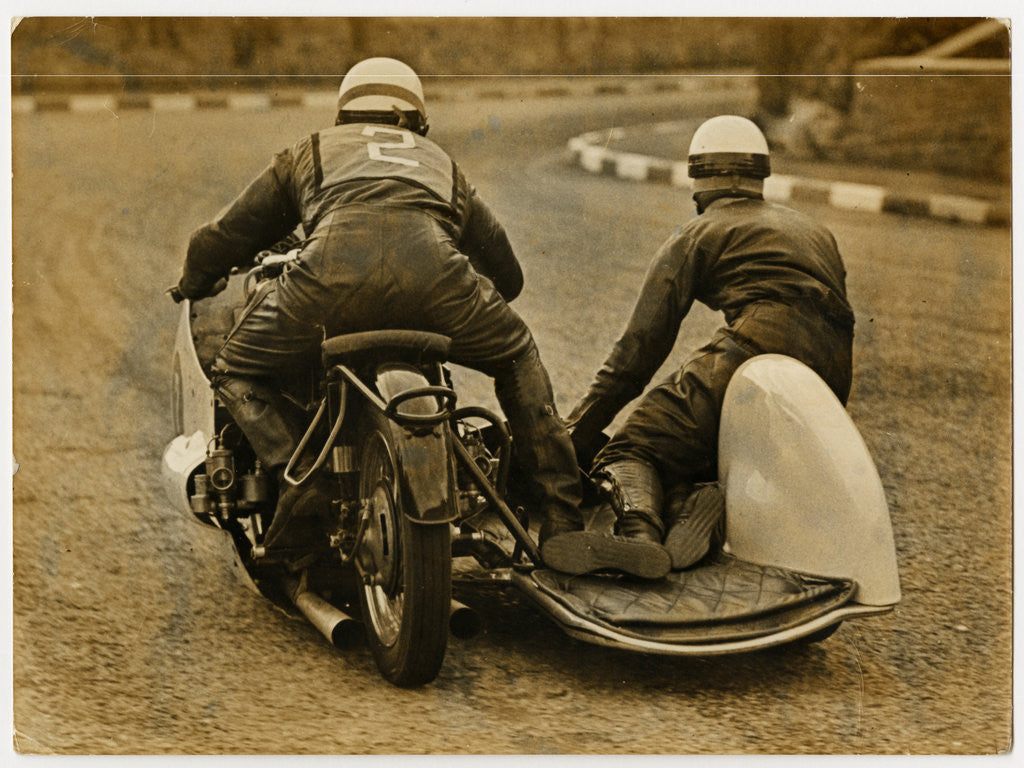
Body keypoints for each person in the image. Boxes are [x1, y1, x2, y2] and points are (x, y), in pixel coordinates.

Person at [170, 57, 597, 555]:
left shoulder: (309, 150)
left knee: (232, 366)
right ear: (415, 121)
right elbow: (508, 274)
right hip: (437, 284)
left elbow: (223, 237)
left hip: (325, 285)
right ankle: (563, 517)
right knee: (518, 352)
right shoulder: (441, 163)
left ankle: (299, 474)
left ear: (343, 115)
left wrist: (195, 280)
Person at [544, 115, 855, 578]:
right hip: (832, 372)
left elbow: (637, 353)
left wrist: (577, 434)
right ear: (760, 175)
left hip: (760, 344)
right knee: (689, 446)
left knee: (636, 446)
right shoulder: (814, 230)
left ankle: (640, 535)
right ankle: (697, 510)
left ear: (699, 180)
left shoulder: (696, 234)